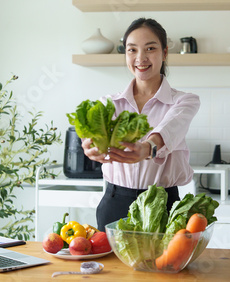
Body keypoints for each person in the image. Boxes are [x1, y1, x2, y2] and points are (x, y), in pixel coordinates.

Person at [82, 18, 201, 231]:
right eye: (132, 50)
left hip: (163, 205)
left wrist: (147, 148)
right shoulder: (108, 103)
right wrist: (89, 144)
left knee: (163, 265)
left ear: (164, 53)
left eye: (150, 48)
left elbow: (171, 127)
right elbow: (91, 133)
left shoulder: (185, 101)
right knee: (111, 266)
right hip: (115, 203)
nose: (140, 58)